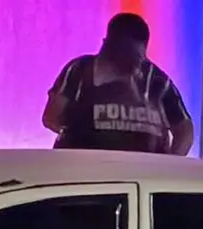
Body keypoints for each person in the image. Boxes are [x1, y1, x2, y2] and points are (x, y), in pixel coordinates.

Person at [42, 13, 195, 155]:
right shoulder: (80, 70)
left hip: (143, 174)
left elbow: (185, 129)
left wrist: (170, 165)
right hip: (88, 171)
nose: (128, 64)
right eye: (121, 54)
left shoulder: (157, 81)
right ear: (106, 45)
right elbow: (51, 117)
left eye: (134, 58)